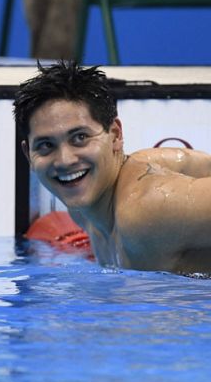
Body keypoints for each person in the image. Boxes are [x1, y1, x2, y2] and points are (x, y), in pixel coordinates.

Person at [14, 61, 211, 275]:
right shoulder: (83, 209)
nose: (65, 160)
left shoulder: (146, 209)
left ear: (115, 135)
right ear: (29, 155)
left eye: (80, 137)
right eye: (46, 146)